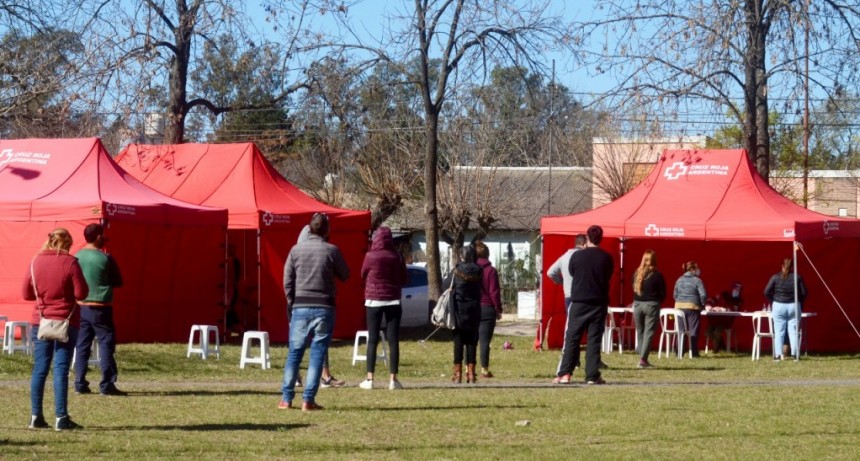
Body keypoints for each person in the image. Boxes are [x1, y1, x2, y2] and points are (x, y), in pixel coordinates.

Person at [280, 213, 349, 411]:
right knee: (317, 353)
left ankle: (286, 399)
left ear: (309, 229)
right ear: (327, 230)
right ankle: (308, 400)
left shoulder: (295, 250)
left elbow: (287, 279)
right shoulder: (331, 250)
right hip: (325, 307)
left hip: (300, 306)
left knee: (295, 353)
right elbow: (345, 274)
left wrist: (292, 301)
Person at [22, 228, 89, 431]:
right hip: (66, 322)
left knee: (40, 368)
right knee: (60, 369)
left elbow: (26, 294)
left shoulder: (35, 262)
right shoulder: (70, 263)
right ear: (67, 244)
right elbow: (81, 293)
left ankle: (35, 416)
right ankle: (61, 417)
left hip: (41, 321)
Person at [555, 225, 614, 385]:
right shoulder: (606, 258)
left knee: (572, 337)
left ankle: (565, 373)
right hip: (598, 302)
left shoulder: (576, 256)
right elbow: (608, 275)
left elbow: (572, 272)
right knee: (594, 339)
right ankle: (592, 375)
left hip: (579, 301)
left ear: (587, 238)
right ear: (601, 238)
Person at [74, 223, 125, 396]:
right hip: (101, 307)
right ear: (98, 237)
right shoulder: (105, 258)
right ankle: (107, 384)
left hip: (81, 306)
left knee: (82, 345)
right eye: (102, 235)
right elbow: (118, 281)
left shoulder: (77, 256)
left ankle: (80, 383)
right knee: (106, 344)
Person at [293, 225, 344, 388]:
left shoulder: (298, 250)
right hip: (313, 301)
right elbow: (343, 273)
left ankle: (321, 376)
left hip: (301, 301)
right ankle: (307, 377)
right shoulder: (315, 249)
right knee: (310, 341)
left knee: (305, 342)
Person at [359, 226, 407, 390]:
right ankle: (393, 379)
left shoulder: (369, 256)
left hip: (373, 301)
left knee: (372, 340)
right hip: (393, 300)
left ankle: (370, 379)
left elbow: (362, 274)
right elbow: (404, 278)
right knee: (393, 340)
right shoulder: (397, 256)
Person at [547, 234, 587, 374]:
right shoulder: (583, 257)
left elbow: (550, 272)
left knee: (572, 328)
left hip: (568, 295)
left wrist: (563, 282)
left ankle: (575, 359)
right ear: (583, 244)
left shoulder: (564, 257)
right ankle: (574, 360)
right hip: (581, 295)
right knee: (582, 329)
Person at [446, 245, 483, 384]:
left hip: (458, 309)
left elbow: (446, 286)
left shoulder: (456, 270)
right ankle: (471, 374)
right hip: (474, 308)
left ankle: (457, 375)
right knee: (472, 341)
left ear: (462, 256)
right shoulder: (479, 270)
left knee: (458, 341)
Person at [764, 258, 808, 360]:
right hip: (794, 305)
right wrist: (799, 302)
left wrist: (773, 301)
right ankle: (795, 355)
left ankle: (778, 355)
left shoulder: (775, 277)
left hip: (778, 305)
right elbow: (804, 293)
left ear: (782, 266)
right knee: (793, 331)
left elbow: (766, 292)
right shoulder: (797, 277)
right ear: (792, 267)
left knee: (779, 332)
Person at [632, 249, 666, 369]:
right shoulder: (657, 275)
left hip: (637, 305)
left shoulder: (636, 273)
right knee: (649, 333)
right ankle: (643, 360)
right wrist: (658, 302)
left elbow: (634, 289)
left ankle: (641, 355)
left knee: (640, 331)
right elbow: (663, 293)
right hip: (651, 305)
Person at [474, 240, 502, 379]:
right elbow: (494, 292)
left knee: (471, 341)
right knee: (484, 341)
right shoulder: (491, 270)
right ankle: (484, 369)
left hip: (472, 307)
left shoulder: (471, 269)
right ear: (488, 254)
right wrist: (498, 308)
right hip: (487, 308)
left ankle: (468, 368)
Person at [673, 261, 707, 357]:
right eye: (696, 268)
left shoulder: (679, 280)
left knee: (681, 331)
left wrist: (680, 301)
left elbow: (675, 295)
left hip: (679, 308)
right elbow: (703, 295)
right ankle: (694, 352)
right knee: (693, 330)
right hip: (693, 307)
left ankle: (679, 352)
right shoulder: (697, 280)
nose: (698, 270)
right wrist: (702, 304)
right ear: (692, 269)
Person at [704, 282, 743, 353]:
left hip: (727, 321)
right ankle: (721, 344)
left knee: (717, 332)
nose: (736, 290)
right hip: (716, 319)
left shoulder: (739, 300)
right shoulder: (724, 294)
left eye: (738, 289)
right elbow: (713, 299)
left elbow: (734, 309)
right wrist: (708, 305)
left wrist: (723, 309)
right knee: (707, 332)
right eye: (735, 288)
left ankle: (716, 349)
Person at [224, 243, 245, 339]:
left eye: (232, 248)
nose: (230, 250)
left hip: (231, 289)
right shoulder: (231, 261)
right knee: (229, 310)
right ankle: (235, 328)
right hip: (230, 289)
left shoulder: (233, 261)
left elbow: (235, 277)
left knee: (229, 310)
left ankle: (236, 328)